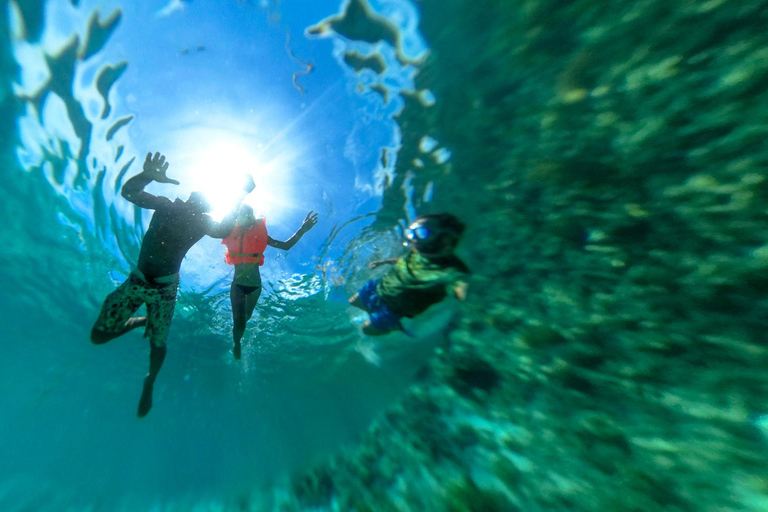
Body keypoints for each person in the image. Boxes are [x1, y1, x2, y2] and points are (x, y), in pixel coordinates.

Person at [91, 151, 255, 417]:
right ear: (187, 197)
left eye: (202, 199)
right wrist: (147, 176)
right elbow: (130, 193)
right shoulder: (167, 205)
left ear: (204, 208)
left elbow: (224, 230)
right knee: (98, 336)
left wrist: (239, 195)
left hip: (165, 291)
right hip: (138, 281)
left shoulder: (201, 222)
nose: (195, 199)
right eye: (195, 194)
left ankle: (150, 381)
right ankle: (142, 320)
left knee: (157, 345)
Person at [222, 205, 318, 359]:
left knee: (246, 317)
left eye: (248, 215)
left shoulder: (260, 235)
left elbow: (285, 246)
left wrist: (303, 229)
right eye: (242, 215)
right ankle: (237, 342)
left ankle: (240, 331)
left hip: (255, 286)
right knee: (238, 321)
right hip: (238, 285)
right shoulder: (228, 231)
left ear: (252, 217)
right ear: (237, 218)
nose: (245, 218)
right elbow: (212, 230)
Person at [349, 213, 470, 335]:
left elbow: (461, 286)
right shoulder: (418, 251)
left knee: (367, 330)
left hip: (396, 308)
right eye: (410, 232)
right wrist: (383, 262)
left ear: (446, 240)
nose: (412, 238)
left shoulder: (450, 272)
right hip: (381, 286)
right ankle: (374, 311)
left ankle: (391, 325)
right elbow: (404, 260)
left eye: (422, 232)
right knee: (354, 301)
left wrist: (466, 295)